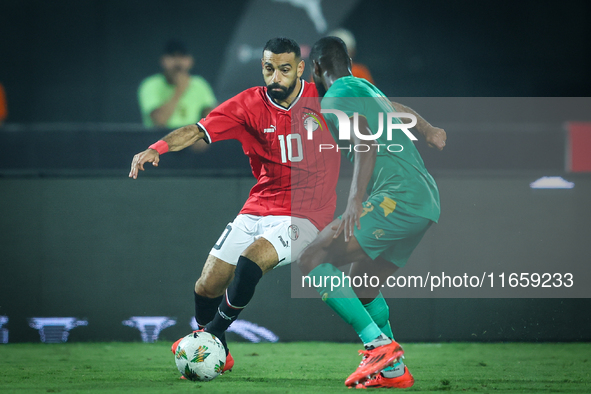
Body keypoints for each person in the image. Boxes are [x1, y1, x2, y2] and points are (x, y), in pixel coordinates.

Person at [130, 37, 341, 375]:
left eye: (285, 70)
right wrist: (158, 147)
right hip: (259, 206)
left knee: (251, 259)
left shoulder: (327, 97)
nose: (276, 77)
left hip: (307, 214)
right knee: (207, 285)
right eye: (269, 69)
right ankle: (221, 353)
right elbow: (197, 130)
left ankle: (210, 336)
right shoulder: (248, 105)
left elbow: (379, 110)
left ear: (300, 69)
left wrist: (421, 126)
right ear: (263, 67)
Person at [297, 36, 446, 388]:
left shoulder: (334, 96)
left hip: (396, 198)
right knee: (361, 289)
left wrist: (354, 201)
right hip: (424, 199)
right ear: (347, 63)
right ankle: (394, 370)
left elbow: (364, 142)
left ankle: (378, 347)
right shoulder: (364, 88)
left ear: (316, 69)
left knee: (313, 258)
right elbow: (395, 109)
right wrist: (427, 129)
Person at [138, 39, 217, 129]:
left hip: (190, 139)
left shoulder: (199, 84)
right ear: (163, 60)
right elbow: (159, 121)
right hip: (160, 140)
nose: (178, 62)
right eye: (172, 56)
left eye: (182, 57)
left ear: (190, 61)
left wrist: (204, 134)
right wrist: (180, 89)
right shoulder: (150, 85)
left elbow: (211, 117)